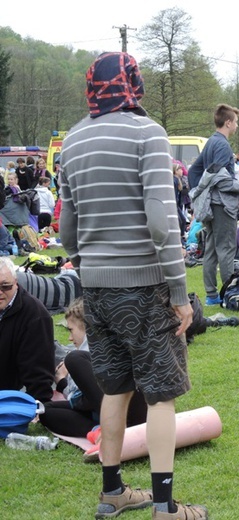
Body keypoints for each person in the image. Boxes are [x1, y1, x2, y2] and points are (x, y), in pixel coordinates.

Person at [60, 52, 207, 519]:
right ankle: (164, 506)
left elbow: (66, 233)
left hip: (96, 290)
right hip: (144, 286)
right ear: (133, 84)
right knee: (161, 396)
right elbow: (163, 225)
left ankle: (112, 494)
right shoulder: (148, 132)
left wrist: (93, 263)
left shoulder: (73, 142)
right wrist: (181, 295)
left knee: (116, 391)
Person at [40, 298, 148, 437]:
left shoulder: (105, 348)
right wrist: (62, 382)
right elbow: (86, 399)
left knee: (74, 359)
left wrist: (69, 384)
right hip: (103, 408)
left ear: (87, 327)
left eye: (71, 330)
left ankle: (114, 428)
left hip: (130, 410)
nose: (70, 339)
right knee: (45, 410)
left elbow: (87, 400)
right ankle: (97, 431)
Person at [188, 104, 239, 306]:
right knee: (226, 248)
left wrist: (196, 193)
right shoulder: (222, 145)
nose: (236, 125)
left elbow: (194, 171)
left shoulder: (211, 142)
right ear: (228, 122)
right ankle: (231, 294)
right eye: (235, 122)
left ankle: (212, 295)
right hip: (222, 206)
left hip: (212, 206)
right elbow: (220, 178)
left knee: (211, 249)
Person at [0, 256, 55, 404]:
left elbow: (38, 367)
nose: (0, 292)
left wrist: (37, 403)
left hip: (9, 391)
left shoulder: (35, 315)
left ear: (16, 283)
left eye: (5, 286)